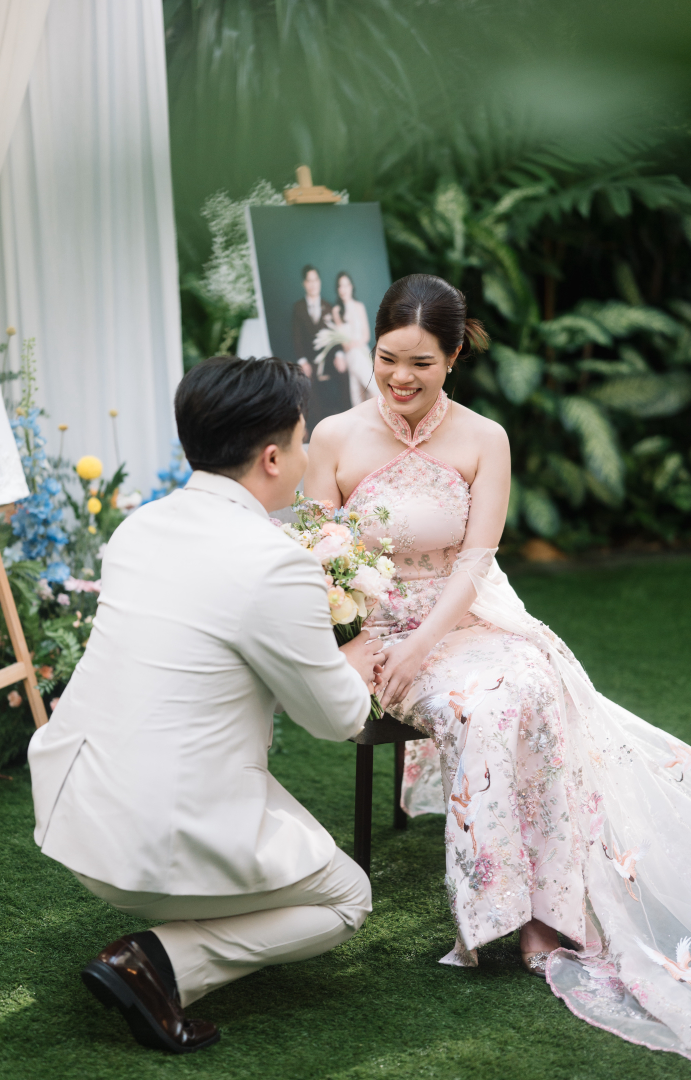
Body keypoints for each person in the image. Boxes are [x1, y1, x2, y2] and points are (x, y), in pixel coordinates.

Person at [304, 273, 691, 1059]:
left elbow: (475, 563)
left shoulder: (485, 439)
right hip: (369, 632)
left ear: (453, 359)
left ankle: (547, 909)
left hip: (464, 618)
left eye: (421, 363)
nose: (401, 378)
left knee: (526, 688)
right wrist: (358, 641)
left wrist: (422, 646)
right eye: (387, 359)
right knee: (482, 708)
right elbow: (314, 556)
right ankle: (489, 913)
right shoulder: (334, 438)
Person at [27, 356, 385, 1055]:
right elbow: (338, 719)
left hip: (77, 817)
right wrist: (357, 652)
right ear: (274, 456)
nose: (309, 455)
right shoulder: (275, 563)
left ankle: (156, 951)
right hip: (156, 844)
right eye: (304, 441)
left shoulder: (139, 529)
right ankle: (160, 963)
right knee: (349, 898)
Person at [292, 265, 350, 432]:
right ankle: (318, 427)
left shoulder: (329, 306)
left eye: (315, 280)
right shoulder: (298, 308)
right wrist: (303, 361)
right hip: (310, 360)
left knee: (344, 371)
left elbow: (336, 336)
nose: (313, 284)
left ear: (319, 282)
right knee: (306, 380)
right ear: (304, 284)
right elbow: (296, 339)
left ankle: (347, 419)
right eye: (309, 281)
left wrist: (339, 354)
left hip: (330, 359)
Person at [330, 272, 378, 407]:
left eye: (346, 285)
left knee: (360, 394)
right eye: (340, 286)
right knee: (365, 391)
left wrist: (356, 344)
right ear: (338, 289)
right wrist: (350, 345)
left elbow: (366, 335)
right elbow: (343, 343)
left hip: (362, 351)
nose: (344, 289)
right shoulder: (336, 311)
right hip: (350, 354)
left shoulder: (359, 306)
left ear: (351, 287)